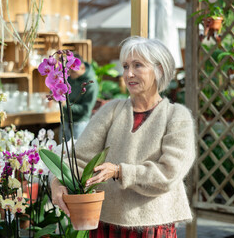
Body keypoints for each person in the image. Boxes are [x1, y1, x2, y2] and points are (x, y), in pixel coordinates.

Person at [51, 36, 196, 238]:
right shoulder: (111, 110)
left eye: (138, 65)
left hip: (153, 226)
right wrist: (57, 182)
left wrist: (119, 171)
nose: (129, 74)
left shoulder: (176, 116)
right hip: (106, 223)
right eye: (126, 66)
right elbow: (79, 158)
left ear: (159, 70)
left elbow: (169, 174)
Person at [61, 54, 99, 141]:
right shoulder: (70, 77)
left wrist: (66, 104)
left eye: (73, 72)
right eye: (69, 72)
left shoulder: (91, 85)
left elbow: (86, 109)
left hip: (79, 124)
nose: (70, 74)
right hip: (65, 121)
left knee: (77, 152)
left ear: (82, 68)